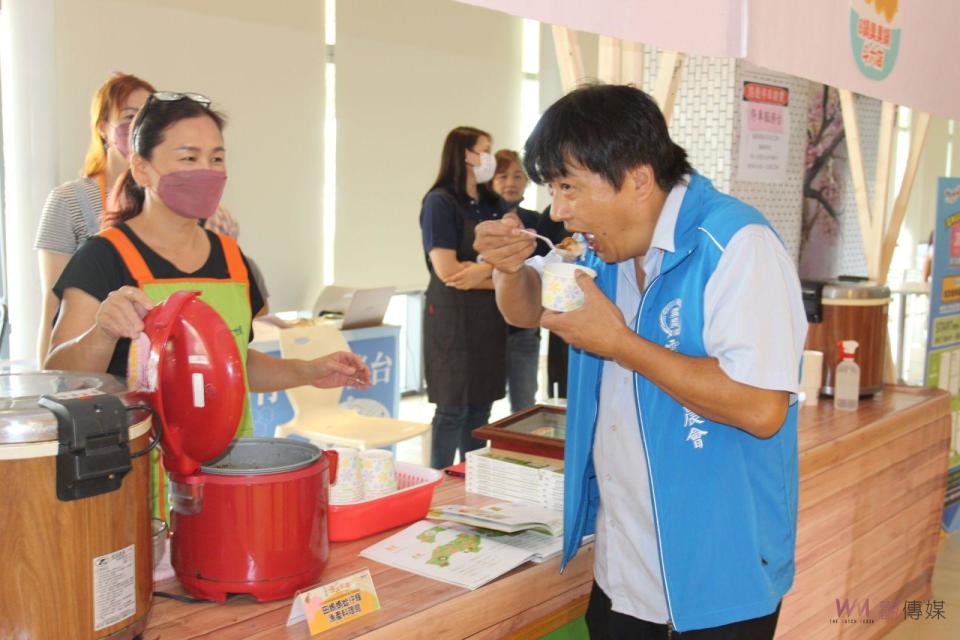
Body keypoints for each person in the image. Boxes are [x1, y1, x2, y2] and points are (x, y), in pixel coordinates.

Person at [475, 84, 807, 638]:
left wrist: (622, 343)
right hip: (622, 568)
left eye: (568, 187)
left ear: (636, 177)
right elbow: (529, 311)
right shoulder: (608, 250)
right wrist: (509, 270)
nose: (559, 210)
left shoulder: (737, 245)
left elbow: (762, 406)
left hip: (718, 575)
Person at [45, 92, 370, 515]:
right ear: (142, 168)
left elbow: (232, 365)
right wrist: (103, 330)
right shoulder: (104, 257)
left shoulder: (233, 260)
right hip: (131, 479)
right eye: (188, 157)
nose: (207, 171)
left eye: (216, 159)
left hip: (224, 474)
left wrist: (308, 371)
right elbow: (59, 376)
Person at [35, 73, 155, 363]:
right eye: (129, 116)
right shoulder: (68, 200)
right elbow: (53, 302)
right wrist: (49, 377)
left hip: (153, 356)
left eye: (147, 117)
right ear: (103, 128)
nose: (139, 125)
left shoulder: (160, 201)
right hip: (92, 361)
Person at [420, 127, 508, 469]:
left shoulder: (492, 204)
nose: (489, 158)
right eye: (484, 150)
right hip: (451, 317)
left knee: (481, 406)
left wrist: (481, 272)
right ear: (464, 155)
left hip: (489, 316)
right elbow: (449, 273)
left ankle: (472, 479)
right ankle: (438, 481)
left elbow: (512, 264)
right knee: (452, 407)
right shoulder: (439, 202)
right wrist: (492, 272)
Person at [491, 150, 542, 412]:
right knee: (477, 406)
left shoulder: (536, 221)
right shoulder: (481, 221)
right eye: (502, 176)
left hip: (524, 331)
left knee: (525, 404)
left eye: (517, 176)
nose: (510, 182)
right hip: (484, 327)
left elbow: (545, 272)